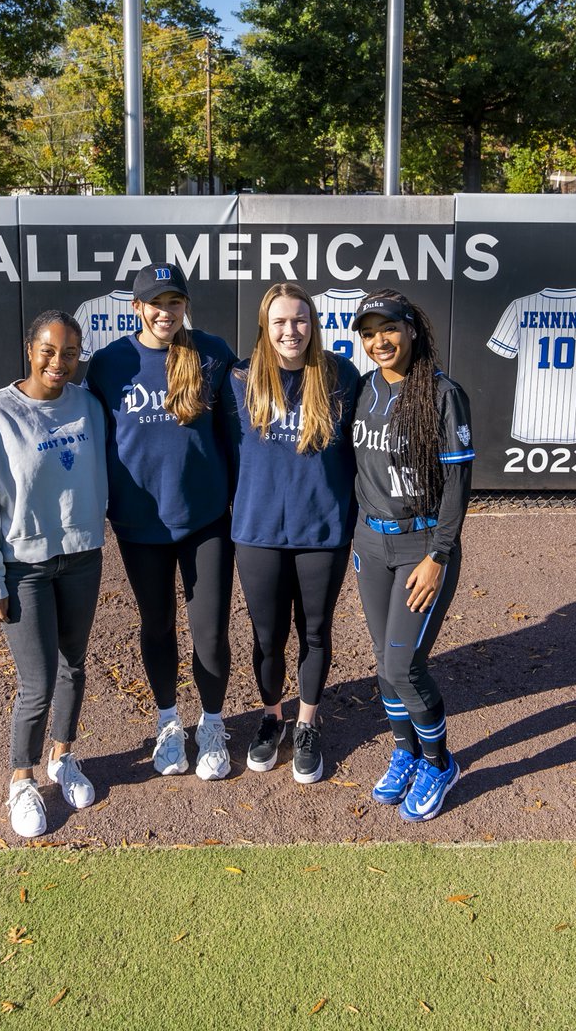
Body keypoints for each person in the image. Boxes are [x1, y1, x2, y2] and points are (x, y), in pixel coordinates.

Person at [0, 311, 107, 839]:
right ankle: (22, 779)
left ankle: (63, 757)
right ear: (29, 348)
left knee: (73, 667)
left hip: (83, 557)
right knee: (37, 682)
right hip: (24, 567)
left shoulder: (89, 406)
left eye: (69, 353)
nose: (57, 362)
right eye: (48, 350)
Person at [86, 263, 236, 780]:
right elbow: (91, 440)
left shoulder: (211, 353)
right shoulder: (110, 364)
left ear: (184, 307)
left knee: (211, 632)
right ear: (136, 308)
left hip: (206, 520)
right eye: (156, 302)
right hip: (140, 523)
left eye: (175, 302)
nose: (165, 312)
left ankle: (212, 724)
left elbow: (241, 426)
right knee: (157, 625)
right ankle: (169, 722)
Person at [225, 282, 360, 783]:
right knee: (267, 637)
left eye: (300, 320)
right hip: (257, 530)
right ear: (265, 325)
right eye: (280, 321)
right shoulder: (240, 380)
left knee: (315, 632)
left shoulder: (340, 376)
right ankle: (270, 717)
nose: (291, 330)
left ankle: (306, 722)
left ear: (313, 325)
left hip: (322, 530)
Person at [351, 289, 474, 822]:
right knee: (384, 664)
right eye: (370, 331)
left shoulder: (443, 394)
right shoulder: (362, 390)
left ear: (413, 329)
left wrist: (439, 554)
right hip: (371, 544)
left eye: (390, 328)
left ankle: (439, 761)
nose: (380, 340)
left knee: (405, 664)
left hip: (422, 547)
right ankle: (405, 752)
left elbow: (457, 483)